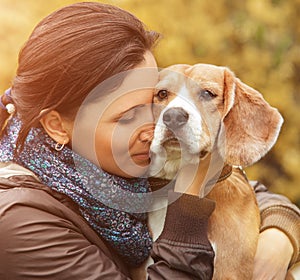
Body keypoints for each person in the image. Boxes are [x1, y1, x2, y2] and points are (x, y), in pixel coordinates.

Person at [0, 2, 298, 279]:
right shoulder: (18, 224)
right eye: (128, 116)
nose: (154, 127)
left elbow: (247, 189)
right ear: (56, 126)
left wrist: (280, 237)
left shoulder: (123, 164)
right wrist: (188, 201)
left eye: (153, 103)